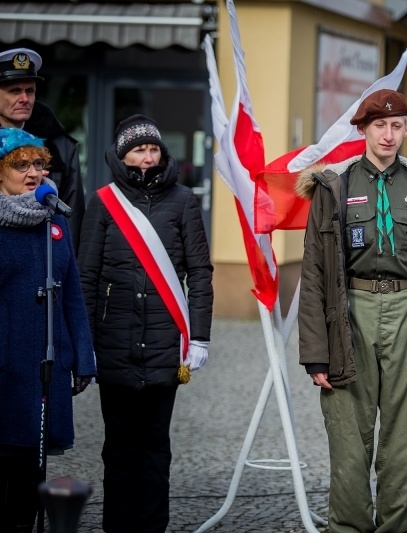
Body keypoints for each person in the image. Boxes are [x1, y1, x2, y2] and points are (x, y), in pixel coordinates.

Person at [296, 89, 407, 533]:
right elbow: (314, 273)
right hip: (350, 312)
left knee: (405, 440)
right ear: (363, 130)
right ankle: (349, 528)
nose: (388, 135)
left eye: (396, 125)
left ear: (406, 128)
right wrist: (315, 353)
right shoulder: (335, 185)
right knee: (348, 439)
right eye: (379, 126)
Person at [78, 114, 213, 533]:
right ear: (122, 156)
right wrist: (84, 344)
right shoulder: (103, 202)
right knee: (118, 448)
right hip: (114, 341)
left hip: (163, 343)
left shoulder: (183, 200)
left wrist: (200, 336)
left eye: (153, 149)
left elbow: (200, 272)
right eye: (139, 150)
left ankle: (153, 527)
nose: (148, 157)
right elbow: (86, 276)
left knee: (155, 446)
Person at [0, 128, 95, 532]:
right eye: (21, 164)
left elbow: (72, 293)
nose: (33, 172)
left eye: (39, 164)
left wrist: (83, 356)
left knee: (30, 472)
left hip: (43, 367)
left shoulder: (53, 219)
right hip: (5, 366)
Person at [0, 47, 85, 251]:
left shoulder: (59, 146)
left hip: (42, 255)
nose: (24, 99)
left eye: (29, 91)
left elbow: (72, 218)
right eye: (14, 91)